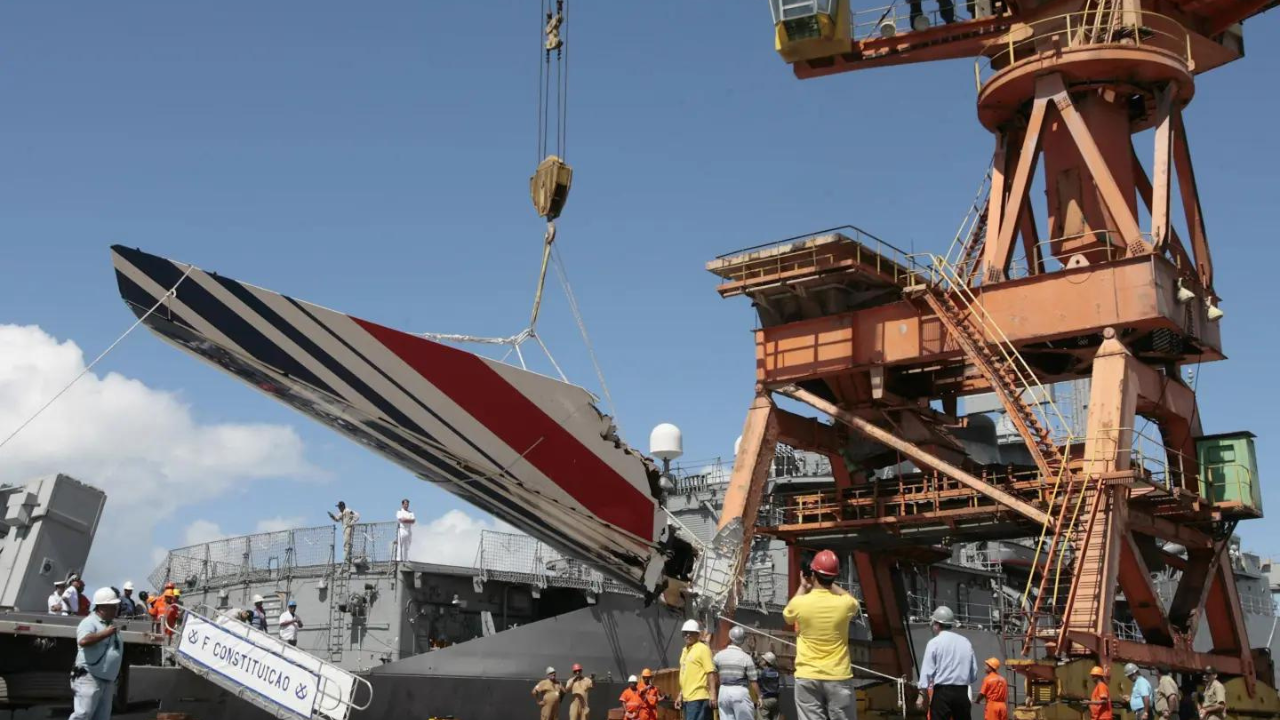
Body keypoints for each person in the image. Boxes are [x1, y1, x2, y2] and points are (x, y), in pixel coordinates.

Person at [783, 550, 860, 720]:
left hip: (807, 674)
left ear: (813, 574)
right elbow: (853, 602)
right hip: (838, 675)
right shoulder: (845, 604)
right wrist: (830, 583)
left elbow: (788, 617)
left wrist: (803, 586)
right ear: (834, 576)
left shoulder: (800, 603)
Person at [70, 587, 124, 720]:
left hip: (106, 680)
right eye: (113, 606)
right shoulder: (89, 622)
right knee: (83, 714)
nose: (116, 609)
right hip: (90, 677)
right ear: (102, 607)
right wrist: (104, 634)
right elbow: (83, 640)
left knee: (102, 717)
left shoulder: (109, 624)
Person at [916, 606, 978, 720]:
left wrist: (922, 695)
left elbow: (926, 671)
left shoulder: (934, 643)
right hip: (962, 693)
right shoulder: (965, 642)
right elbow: (973, 673)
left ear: (937, 624)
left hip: (942, 694)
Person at [714, 626, 760, 720]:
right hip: (740, 692)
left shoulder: (718, 656)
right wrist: (759, 696)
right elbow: (753, 681)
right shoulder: (746, 658)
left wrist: (713, 692)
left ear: (730, 637)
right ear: (742, 640)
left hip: (723, 692)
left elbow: (712, 674)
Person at [675, 619, 716, 720]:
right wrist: (680, 695)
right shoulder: (685, 650)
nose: (687, 635)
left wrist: (713, 695)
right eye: (685, 633)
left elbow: (710, 672)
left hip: (699, 698)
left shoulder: (703, 649)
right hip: (687, 698)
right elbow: (686, 675)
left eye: (691, 633)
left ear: (697, 634)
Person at [757, 652, 781, 720]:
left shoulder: (763, 673)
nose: (761, 661)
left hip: (765, 700)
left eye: (763, 660)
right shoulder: (776, 673)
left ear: (766, 662)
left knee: (762, 717)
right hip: (775, 700)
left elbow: (756, 681)